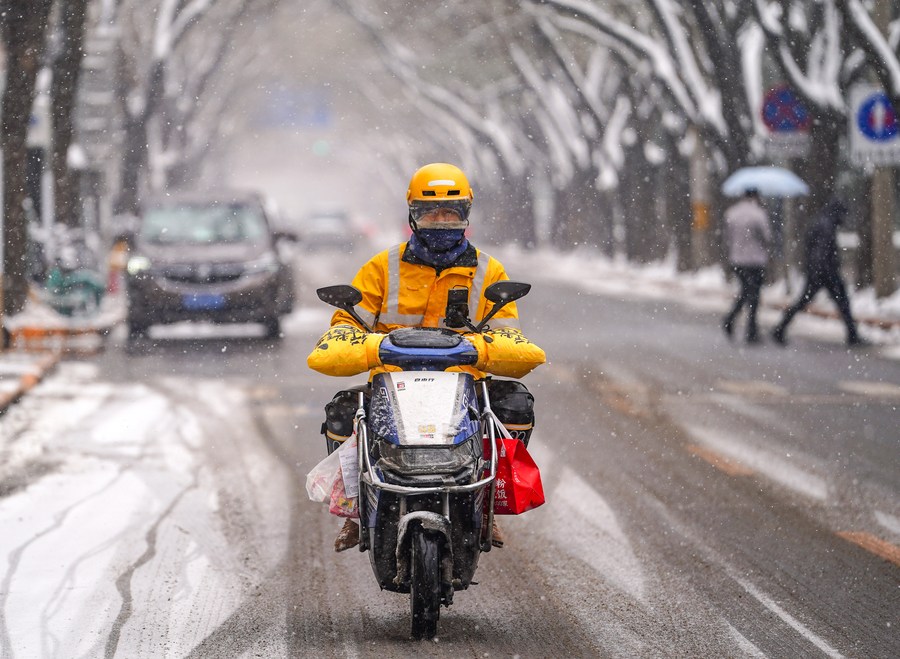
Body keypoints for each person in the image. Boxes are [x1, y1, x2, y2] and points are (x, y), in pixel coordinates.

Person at [307, 162, 546, 552]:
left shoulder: (489, 271)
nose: (441, 222)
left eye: (451, 213)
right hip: (390, 384)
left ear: (466, 215)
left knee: (516, 404)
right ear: (412, 215)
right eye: (430, 212)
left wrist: (478, 348)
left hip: (464, 385)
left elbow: (510, 340)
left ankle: (486, 506)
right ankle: (355, 508)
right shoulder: (380, 268)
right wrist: (372, 347)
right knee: (341, 412)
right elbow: (340, 332)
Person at [772, 199, 865, 346]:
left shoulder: (822, 222)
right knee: (842, 302)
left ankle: (780, 329)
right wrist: (826, 272)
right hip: (824, 273)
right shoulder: (826, 226)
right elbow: (820, 253)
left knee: (806, 302)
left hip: (818, 272)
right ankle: (853, 336)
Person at [721, 187, 772, 344]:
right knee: (753, 296)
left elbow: (727, 237)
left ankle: (732, 319)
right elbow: (767, 237)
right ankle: (750, 330)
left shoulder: (731, 213)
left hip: (737, 260)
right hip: (755, 261)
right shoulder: (758, 214)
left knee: (745, 292)